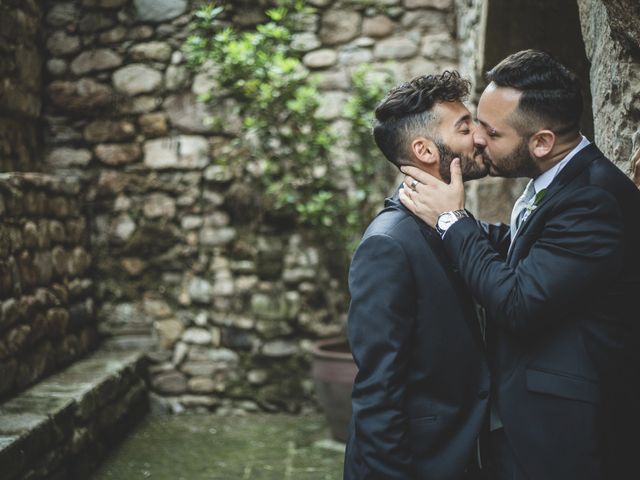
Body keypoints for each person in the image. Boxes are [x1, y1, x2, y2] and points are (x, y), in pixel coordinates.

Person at [399, 49, 640, 480]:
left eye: (492, 133)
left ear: (542, 142)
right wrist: (450, 221)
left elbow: (517, 303)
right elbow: (527, 246)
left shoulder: (592, 200)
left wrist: (452, 221)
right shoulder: (564, 178)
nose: (476, 140)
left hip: (566, 433)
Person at [343, 71, 490, 480]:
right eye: (465, 127)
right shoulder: (387, 245)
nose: (480, 136)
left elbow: (515, 240)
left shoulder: (448, 221)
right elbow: (378, 393)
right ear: (424, 149)